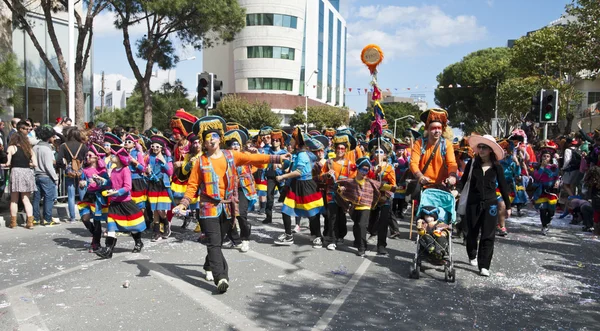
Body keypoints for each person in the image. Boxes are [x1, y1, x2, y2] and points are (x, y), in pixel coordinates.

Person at [173, 116, 290, 293]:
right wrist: (183, 204)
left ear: (220, 139)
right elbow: (192, 186)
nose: (211, 140)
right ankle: (221, 278)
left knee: (217, 242)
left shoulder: (231, 155)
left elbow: (253, 158)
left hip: (228, 207)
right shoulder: (200, 162)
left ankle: (208, 266)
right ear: (203, 142)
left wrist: (278, 159)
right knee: (213, 243)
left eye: (214, 136)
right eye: (207, 137)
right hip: (208, 208)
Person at [461, 134, 511, 277]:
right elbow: (463, 181)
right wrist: (456, 191)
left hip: (491, 205)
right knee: (472, 232)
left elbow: (503, 187)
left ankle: (484, 266)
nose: (481, 150)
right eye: (480, 147)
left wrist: (508, 206)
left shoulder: (497, 167)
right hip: (473, 203)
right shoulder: (472, 165)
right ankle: (472, 254)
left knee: (488, 235)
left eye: (484, 147)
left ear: (491, 150)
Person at [336, 157, 399, 257]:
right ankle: (358, 242)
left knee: (366, 224)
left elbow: (388, 186)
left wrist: (396, 189)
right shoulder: (353, 181)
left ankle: (367, 247)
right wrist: (341, 189)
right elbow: (340, 185)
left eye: (366, 170)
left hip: (372, 203)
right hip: (355, 207)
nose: (364, 171)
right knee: (358, 225)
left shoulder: (387, 169)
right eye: (362, 169)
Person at [274, 127, 325, 246]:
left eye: (292, 140)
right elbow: (290, 168)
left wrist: (283, 177)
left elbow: (299, 172)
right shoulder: (296, 154)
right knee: (285, 210)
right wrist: (281, 167)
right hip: (294, 185)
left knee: (312, 212)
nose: (289, 142)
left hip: (306, 186)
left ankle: (318, 236)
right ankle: (288, 235)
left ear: (297, 142)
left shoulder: (302, 155)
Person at [96, 144, 147, 258]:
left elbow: (128, 187)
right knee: (111, 227)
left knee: (132, 227)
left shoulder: (125, 170)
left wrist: (117, 192)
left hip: (125, 203)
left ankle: (138, 242)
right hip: (114, 203)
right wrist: (102, 181)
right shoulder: (113, 170)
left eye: (114, 155)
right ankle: (108, 250)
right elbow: (110, 183)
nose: (112, 156)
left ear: (120, 158)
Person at [320, 133, 357, 250]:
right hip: (331, 192)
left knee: (341, 216)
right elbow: (321, 176)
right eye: (338, 148)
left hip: (344, 194)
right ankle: (333, 239)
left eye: (342, 148)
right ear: (335, 149)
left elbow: (353, 179)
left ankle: (341, 235)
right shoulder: (329, 162)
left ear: (345, 150)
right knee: (332, 216)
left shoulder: (350, 164)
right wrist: (326, 175)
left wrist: (346, 186)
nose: (340, 150)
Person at [224, 128, 258, 252]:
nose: (236, 146)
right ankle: (235, 239)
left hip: (243, 189)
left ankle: (245, 239)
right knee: (228, 216)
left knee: (241, 215)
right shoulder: (225, 157)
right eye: (233, 144)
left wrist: (255, 154)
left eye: (237, 144)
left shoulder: (246, 155)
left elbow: (260, 165)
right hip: (228, 190)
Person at [409, 108, 458, 194]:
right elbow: (413, 163)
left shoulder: (447, 144)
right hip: (423, 188)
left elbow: (452, 163)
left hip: (441, 187)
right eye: (433, 128)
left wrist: (452, 176)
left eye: (439, 128)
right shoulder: (419, 143)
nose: (437, 131)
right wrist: (420, 177)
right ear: (427, 129)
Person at [2, 125, 37, 229]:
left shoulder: (11, 148)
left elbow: (7, 162)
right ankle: (30, 222)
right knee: (26, 199)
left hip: (16, 172)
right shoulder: (29, 149)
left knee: (14, 199)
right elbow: (35, 164)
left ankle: (13, 222)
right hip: (27, 172)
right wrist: (26, 164)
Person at [78, 143, 111, 252]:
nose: (87, 157)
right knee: (85, 218)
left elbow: (108, 184)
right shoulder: (85, 170)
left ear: (97, 157)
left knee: (98, 221)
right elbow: (82, 182)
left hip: (99, 198)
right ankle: (96, 235)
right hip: (89, 196)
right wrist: (81, 183)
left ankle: (95, 243)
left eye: (90, 155)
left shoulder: (102, 171)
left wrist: (99, 182)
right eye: (86, 156)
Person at [366, 137, 397, 256]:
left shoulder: (389, 168)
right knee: (372, 219)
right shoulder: (370, 166)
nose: (378, 154)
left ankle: (381, 245)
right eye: (376, 152)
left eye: (381, 152)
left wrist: (385, 189)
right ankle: (372, 233)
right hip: (373, 197)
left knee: (384, 221)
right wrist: (374, 174)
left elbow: (393, 184)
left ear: (385, 155)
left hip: (385, 198)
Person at [57, 127, 89, 223]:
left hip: (69, 172)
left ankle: (72, 218)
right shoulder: (83, 146)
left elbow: (59, 160)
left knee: (71, 196)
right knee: (83, 194)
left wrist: (65, 167)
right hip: (81, 172)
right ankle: (84, 215)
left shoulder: (64, 146)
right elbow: (87, 160)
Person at [146, 135, 174, 242]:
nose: (154, 148)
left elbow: (170, 172)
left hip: (163, 185)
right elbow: (145, 170)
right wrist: (147, 171)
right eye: (153, 146)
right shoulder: (150, 157)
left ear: (162, 148)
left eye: (157, 147)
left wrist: (163, 161)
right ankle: (156, 232)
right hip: (153, 185)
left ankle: (166, 225)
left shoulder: (167, 158)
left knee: (161, 209)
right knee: (155, 210)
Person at [531, 141, 560, 236]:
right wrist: (542, 167)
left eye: (547, 156)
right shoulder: (537, 167)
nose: (545, 158)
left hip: (551, 191)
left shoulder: (554, 167)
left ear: (550, 157)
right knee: (543, 210)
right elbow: (537, 177)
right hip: (541, 191)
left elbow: (557, 176)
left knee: (551, 210)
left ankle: (548, 221)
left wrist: (557, 181)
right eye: (544, 156)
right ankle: (544, 226)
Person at [32, 126, 60, 226]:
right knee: (49, 198)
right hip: (47, 176)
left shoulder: (35, 147)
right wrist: (55, 178)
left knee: (36, 198)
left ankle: (35, 218)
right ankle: (47, 219)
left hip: (36, 175)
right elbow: (49, 166)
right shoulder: (47, 149)